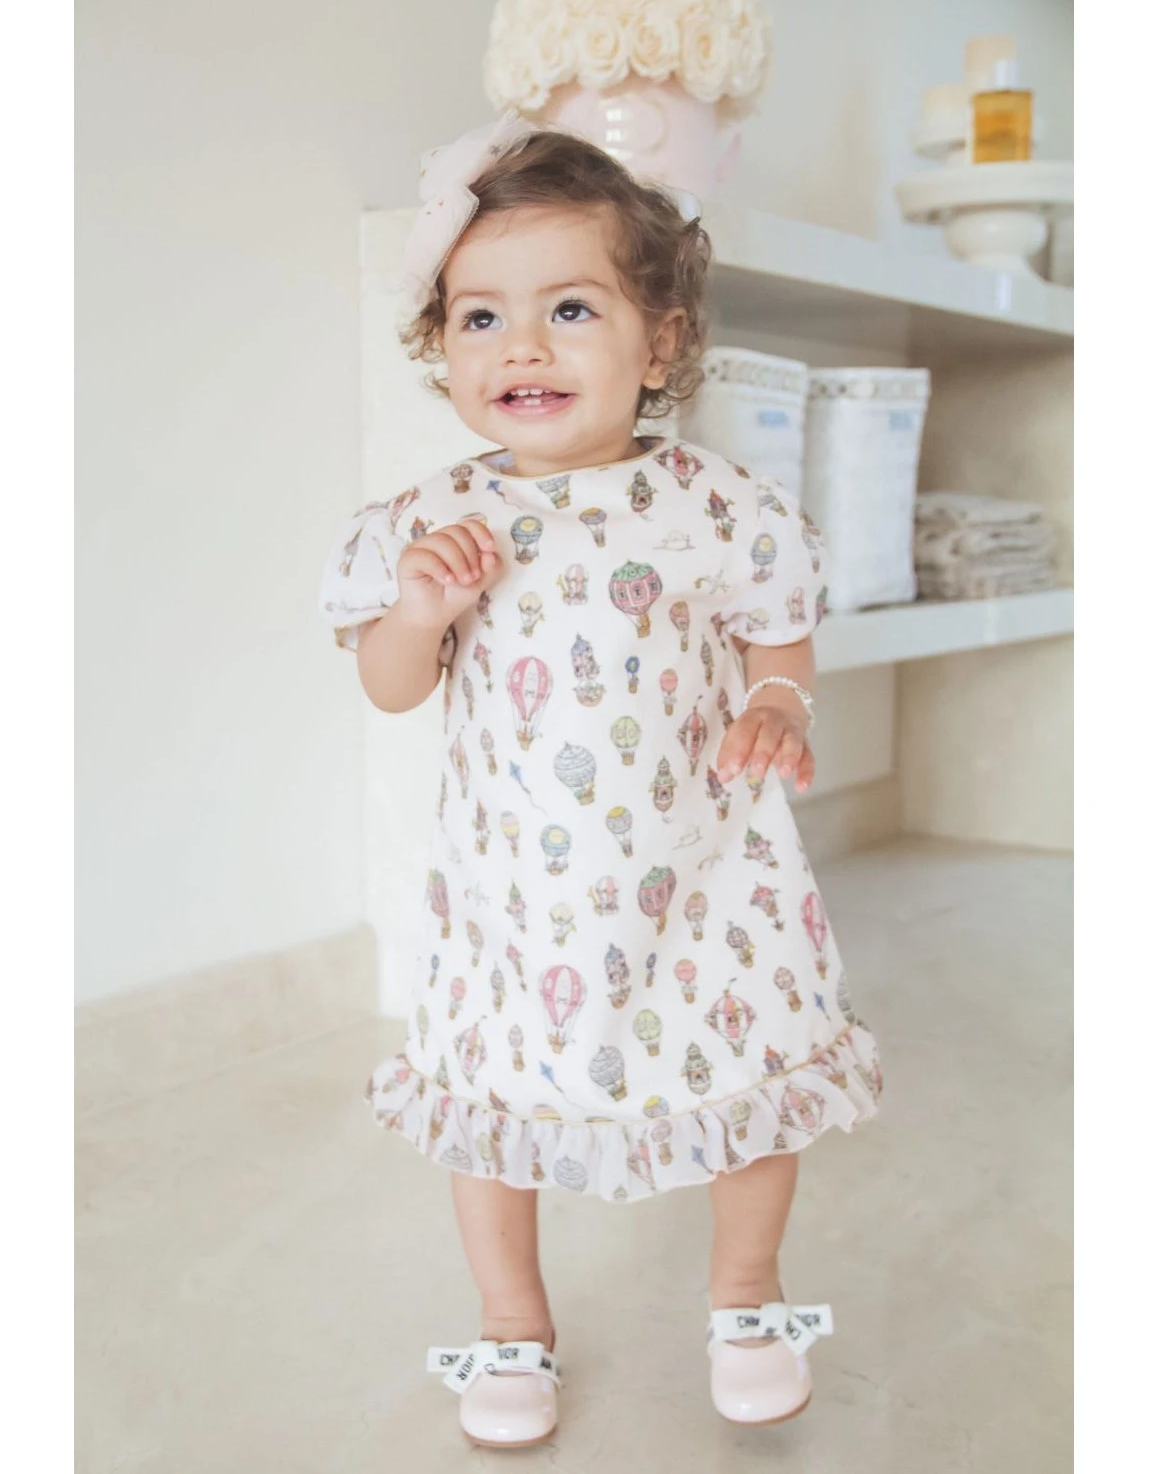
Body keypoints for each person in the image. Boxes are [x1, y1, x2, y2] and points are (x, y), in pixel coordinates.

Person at [317, 113, 883, 1449]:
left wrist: (779, 700)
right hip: (517, 895)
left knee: (753, 1071)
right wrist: (416, 609)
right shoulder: (430, 523)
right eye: (480, 318)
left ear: (660, 343)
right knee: (489, 1104)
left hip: (706, 875)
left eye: (569, 309)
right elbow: (392, 686)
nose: (521, 346)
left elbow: (777, 626)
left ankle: (747, 1297)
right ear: (442, 347)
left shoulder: (717, 505)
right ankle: (512, 1322)